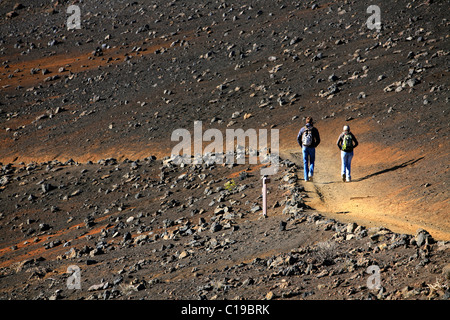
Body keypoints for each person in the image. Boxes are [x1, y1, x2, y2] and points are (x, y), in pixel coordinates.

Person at [297, 117, 320, 182]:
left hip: (304, 147)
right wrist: (314, 145)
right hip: (312, 147)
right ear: (312, 122)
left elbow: (298, 138)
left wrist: (302, 146)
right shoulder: (314, 129)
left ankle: (306, 178)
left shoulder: (302, 129)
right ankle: (310, 174)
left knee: (305, 162)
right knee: (312, 161)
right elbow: (318, 139)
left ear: (306, 122)